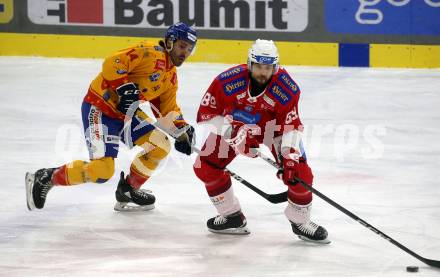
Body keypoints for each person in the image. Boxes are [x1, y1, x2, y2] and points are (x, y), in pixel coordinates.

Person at [25, 22, 197, 212]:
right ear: (170, 42)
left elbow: (167, 108)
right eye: (182, 46)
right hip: (100, 108)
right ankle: (46, 177)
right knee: (102, 171)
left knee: (160, 145)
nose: (185, 53)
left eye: (189, 49)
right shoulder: (150, 52)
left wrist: (182, 131)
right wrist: (124, 87)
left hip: (126, 115)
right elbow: (113, 63)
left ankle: (128, 190)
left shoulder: (170, 77)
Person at [193, 39, 329, 243]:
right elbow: (206, 114)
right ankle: (232, 216)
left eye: (268, 67)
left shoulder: (287, 87)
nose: (263, 72)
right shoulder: (227, 81)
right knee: (205, 166)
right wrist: (233, 133)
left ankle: (300, 220)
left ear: (274, 67)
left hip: (273, 131)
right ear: (250, 63)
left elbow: (290, 126)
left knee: (300, 174)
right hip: (235, 126)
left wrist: (289, 157)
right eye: (258, 66)